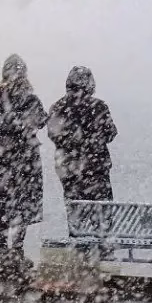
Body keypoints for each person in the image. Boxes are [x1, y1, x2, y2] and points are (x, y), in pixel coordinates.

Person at [0, 54, 48, 268]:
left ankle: (1, 252)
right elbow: (41, 121)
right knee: (22, 205)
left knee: (1, 204)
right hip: (24, 160)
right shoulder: (30, 98)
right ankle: (17, 252)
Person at [47, 66, 117, 203]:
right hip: (97, 169)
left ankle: (78, 223)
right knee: (102, 213)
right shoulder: (98, 106)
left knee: (76, 213)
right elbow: (110, 133)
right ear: (89, 83)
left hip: (69, 169)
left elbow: (53, 134)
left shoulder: (58, 107)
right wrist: (93, 140)